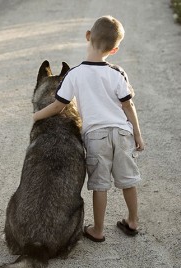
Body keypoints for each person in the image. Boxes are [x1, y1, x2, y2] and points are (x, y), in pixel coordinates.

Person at [33, 15, 144, 241]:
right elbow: (128, 104)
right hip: (122, 133)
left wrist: (36, 115)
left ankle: (98, 231)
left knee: (100, 185)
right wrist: (137, 133)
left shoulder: (74, 74)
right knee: (128, 180)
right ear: (114, 50)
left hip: (96, 137)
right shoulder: (117, 72)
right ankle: (132, 222)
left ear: (88, 36)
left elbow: (58, 105)